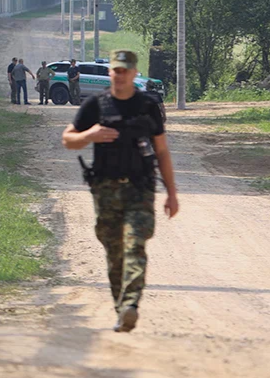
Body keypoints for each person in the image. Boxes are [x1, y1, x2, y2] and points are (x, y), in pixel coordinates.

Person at [62, 50, 179, 333]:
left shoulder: (147, 106)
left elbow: (161, 151)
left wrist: (172, 193)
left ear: (135, 72)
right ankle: (121, 309)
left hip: (140, 188)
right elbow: (68, 139)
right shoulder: (96, 105)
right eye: (117, 70)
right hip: (105, 190)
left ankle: (131, 305)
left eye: (126, 70)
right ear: (111, 72)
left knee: (134, 245)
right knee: (114, 253)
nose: (121, 74)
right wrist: (89, 135)